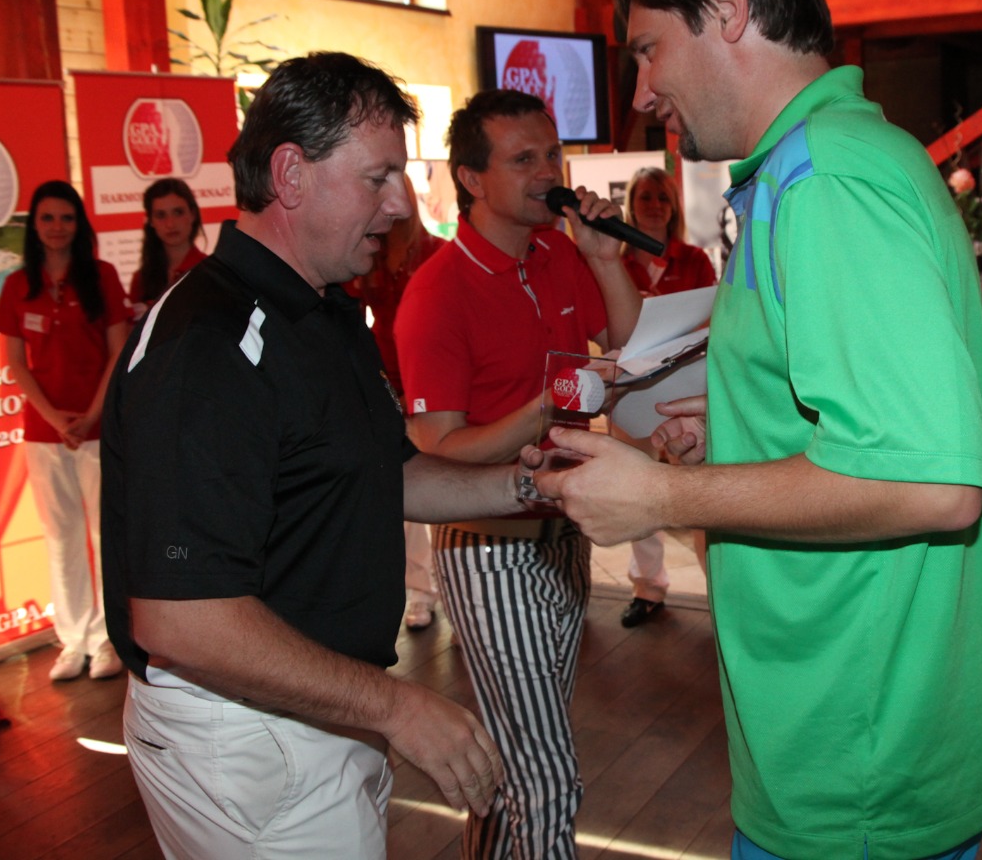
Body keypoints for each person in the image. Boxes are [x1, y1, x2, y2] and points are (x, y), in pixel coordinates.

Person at [537, 0, 982, 860]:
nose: (641, 91)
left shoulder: (829, 182)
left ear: (726, 8)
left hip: (856, 760)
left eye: (647, 51)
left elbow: (932, 482)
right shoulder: (830, 163)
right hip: (847, 731)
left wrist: (665, 495)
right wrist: (748, 437)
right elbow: (947, 400)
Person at [101, 52, 534, 860]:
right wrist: (397, 707)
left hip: (317, 707)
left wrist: (535, 487)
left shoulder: (324, 310)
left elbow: (387, 474)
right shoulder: (208, 344)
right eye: (378, 178)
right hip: (246, 730)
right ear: (291, 175)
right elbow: (181, 618)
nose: (400, 203)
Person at [394, 88, 641, 859]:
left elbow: (629, 351)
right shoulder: (437, 289)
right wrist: (545, 409)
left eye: (553, 155)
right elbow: (436, 446)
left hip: (564, 530)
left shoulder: (559, 253)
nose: (547, 173)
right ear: (471, 179)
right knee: (546, 776)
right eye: (523, 159)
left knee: (520, 754)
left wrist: (604, 258)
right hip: (487, 547)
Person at [0, 180, 129, 682]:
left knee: (104, 535)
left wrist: (91, 415)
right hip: (44, 434)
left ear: (79, 224)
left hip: (98, 429)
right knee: (61, 537)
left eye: (66, 218)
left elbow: (119, 351)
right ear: (34, 225)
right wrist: (55, 420)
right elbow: (15, 363)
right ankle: (73, 641)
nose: (57, 227)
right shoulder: (16, 285)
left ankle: (109, 638)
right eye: (47, 218)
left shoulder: (102, 276)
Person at [615, 165, 717, 627]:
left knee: (700, 493)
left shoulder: (693, 259)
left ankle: (718, 589)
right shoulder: (617, 263)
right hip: (630, 392)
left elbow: (711, 320)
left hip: (685, 390)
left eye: (662, 197)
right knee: (637, 490)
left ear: (674, 206)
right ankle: (648, 587)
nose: (654, 206)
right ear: (631, 205)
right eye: (645, 197)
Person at [346, 171, 447, 631]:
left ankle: (458, 601)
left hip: (435, 392)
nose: (392, 203)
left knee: (445, 493)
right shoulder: (370, 253)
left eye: (399, 192)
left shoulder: (436, 253)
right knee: (406, 498)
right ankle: (420, 591)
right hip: (388, 387)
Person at [129, 177, 205, 318]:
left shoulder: (210, 271)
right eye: (161, 215)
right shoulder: (141, 279)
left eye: (178, 212)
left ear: (193, 214)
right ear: (151, 221)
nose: (170, 224)